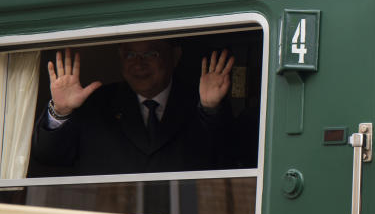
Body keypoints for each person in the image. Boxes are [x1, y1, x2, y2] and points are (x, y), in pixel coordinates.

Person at [31, 40, 235, 175]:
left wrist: (210, 109)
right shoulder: (95, 103)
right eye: (130, 56)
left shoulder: (198, 101)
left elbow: (226, 156)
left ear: (175, 56)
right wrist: (61, 112)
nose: (139, 64)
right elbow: (49, 156)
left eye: (151, 54)